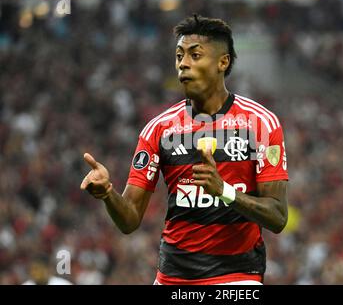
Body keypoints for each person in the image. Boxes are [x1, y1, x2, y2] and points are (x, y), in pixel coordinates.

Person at [80, 15, 288, 285]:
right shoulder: (159, 129)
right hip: (172, 278)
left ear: (222, 62)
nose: (183, 64)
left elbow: (278, 217)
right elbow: (129, 220)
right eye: (179, 55)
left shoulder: (260, 124)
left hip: (236, 276)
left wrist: (224, 191)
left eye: (195, 55)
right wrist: (109, 194)